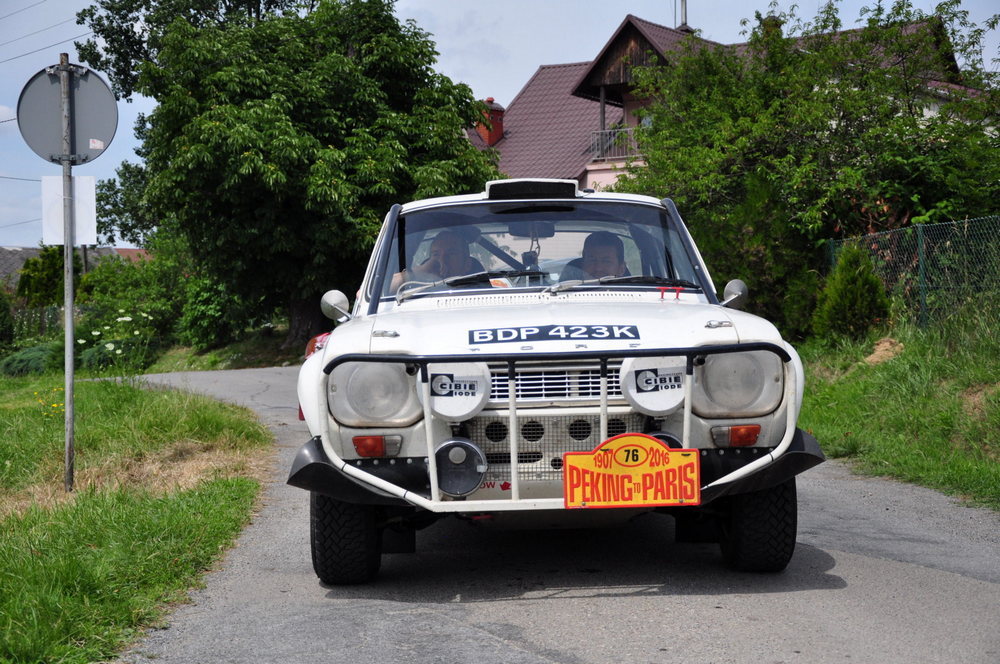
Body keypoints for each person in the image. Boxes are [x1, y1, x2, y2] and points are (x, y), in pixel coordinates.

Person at [391, 230, 479, 292]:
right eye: (436, 255)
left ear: (467, 264)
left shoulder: (481, 290)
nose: (442, 260)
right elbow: (385, 289)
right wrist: (421, 271)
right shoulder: (417, 291)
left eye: (451, 253)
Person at [560, 231, 627, 280]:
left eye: (606, 261)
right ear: (583, 266)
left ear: (621, 269)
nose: (598, 268)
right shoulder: (560, 298)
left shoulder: (634, 297)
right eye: (592, 260)